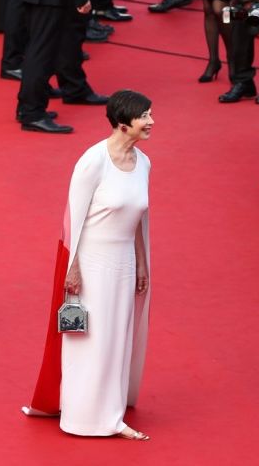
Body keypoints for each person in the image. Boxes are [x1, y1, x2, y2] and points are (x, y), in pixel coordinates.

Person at [23, 90, 154, 441]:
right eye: (145, 117)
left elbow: (139, 221)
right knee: (89, 337)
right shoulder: (92, 161)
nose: (152, 122)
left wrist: (142, 264)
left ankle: (111, 413)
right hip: (92, 262)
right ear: (124, 123)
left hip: (124, 261)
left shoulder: (144, 163)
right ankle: (82, 414)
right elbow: (73, 221)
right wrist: (73, 268)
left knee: (118, 336)